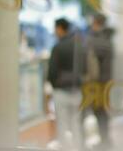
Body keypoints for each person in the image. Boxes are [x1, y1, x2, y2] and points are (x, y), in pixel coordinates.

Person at [47, 18, 84, 150]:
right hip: (77, 90)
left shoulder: (58, 47)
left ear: (60, 28)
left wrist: (54, 85)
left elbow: (52, 72)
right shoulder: (79, 45)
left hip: (61, 91)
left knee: (62, 125)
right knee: (76, 124)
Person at [84, 13, 114, 148]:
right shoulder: (108, 39)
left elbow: (90, 63)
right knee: (102, 112)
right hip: (105, 81)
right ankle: (105, 140)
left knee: (99, 112)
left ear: (96, 23)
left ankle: (104, 142)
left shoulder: (95, 40)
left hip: (97, 83)